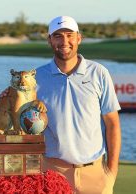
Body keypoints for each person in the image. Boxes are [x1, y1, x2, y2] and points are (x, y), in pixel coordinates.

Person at [36, 16, 121, 193]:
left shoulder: (99, 73)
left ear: (79, 38)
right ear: (49, 40)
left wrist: (111, 173)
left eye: (69, 35)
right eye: (58, 36)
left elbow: (112, 123)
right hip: (52, 173)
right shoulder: (36, 77)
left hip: (95, 174)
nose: (64, 41)